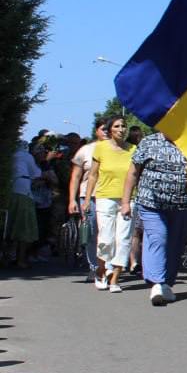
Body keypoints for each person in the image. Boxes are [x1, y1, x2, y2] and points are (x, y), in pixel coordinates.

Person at [121, 132, 187, 306]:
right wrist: (125, 201)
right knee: (157, 238)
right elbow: (133, 173)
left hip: (183, 205)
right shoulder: (149, 142)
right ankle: (156, 283)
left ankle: (167, 283)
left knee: (175, 244)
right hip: (151, 203)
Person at [83, 116, 136, 292]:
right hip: (105, 197)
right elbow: (93, 174)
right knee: (106, 239)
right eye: (117, 126)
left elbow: (137, 175)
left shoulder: (133, 149)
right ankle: (101, 270)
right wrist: (87, 198)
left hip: (128, 199)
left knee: (123, 239)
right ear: (110, 130)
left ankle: (115, 279)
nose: (121, 129)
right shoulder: (101, 148)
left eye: (124, 126)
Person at [68, 119, 108, 280]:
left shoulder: (119, 149)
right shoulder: (85, 150)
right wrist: (72, 200)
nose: (106, 132)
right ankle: (94, 267)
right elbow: (76, 177)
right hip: (89, 197)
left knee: (109, 235)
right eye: (103, 129)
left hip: (111, 196)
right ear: (96, 131)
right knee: (92, 233)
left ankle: (108, 266)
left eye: (108, 129)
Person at [6, 145, 42, 268]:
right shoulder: (26, 156)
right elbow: (36, 173)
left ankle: (6, 256)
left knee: (8, 226)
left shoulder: (10, 155)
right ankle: (21, 260)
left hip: (9, 190)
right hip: (23, 193)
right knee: (24, 227)